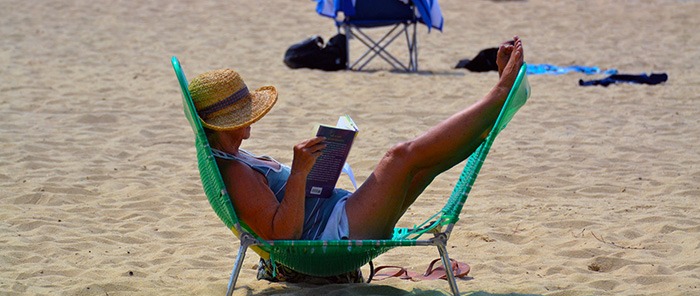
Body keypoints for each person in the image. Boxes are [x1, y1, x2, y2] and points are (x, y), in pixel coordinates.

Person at [188, 37, 524, 243]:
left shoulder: (239, 159)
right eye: (243, 117)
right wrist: (301, 173)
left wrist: (315, 174)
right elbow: (282, 235)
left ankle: (488, 115)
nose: (251, 124)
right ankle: (498, 95)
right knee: (400, 157)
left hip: (340, 215)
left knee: (426, 166)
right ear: (220, 125)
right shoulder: (234, 173)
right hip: (336, 231)